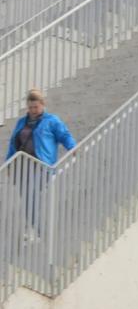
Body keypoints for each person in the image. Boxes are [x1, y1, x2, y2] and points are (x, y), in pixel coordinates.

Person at [8, 88, 76, 237]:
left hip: (41, 165)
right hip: (23, 166)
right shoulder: (21, 122)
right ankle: (34, 228)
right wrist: (8, 163)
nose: (33, 110)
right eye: (30, 107)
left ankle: (35, 230)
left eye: (36, 107)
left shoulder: (51, 121)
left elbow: (64, 135)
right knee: (27, 198)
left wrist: (73, 148)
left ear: (43, 105)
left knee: (32, 195)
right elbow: (13, 143)